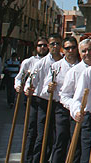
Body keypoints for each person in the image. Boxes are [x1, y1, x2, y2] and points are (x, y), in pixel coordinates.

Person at [60, 38, 91, 163]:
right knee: (76, 151)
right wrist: (75, 110)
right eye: (84, 51)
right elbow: (64, 95)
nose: (87, 53)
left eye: (90, 50)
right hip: (79, 116)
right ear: (80, 53)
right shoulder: (74, 71)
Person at [28, 33, 63, 163]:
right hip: (43, 102)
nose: (55, 46)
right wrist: (28, 88)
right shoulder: (40, 63)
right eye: (52, 44)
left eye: (58, 44)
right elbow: (31, 81)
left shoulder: (64, 62)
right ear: (48, 46)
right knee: (42, 135)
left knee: (57, 136)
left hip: (59, 103)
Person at [44, 36, 79, 163]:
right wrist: (49, 88)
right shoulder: (56, 67)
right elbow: (46, 88)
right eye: (67, 48)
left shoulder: (82, 66)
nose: (70, 50)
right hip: (61, 107)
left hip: (77, 107)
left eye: (73, 47)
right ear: (63, 50)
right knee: (60, 138)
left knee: (75, 140)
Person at [17, 37, 50, 163]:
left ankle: (40, 158)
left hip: (46, 98)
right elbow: (19, 77)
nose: (42, 47)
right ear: (36, 47)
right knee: (32, 130)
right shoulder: (28, 62)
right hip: (33, 98)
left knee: (44, 132)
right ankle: (28, 158)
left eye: (45, 45)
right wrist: (20, 87)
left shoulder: (51, 61)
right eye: (40, 45)